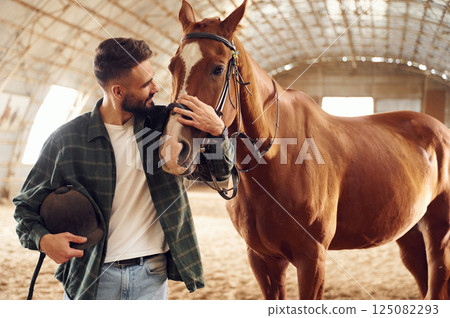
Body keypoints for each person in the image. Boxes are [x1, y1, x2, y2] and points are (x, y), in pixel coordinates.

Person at [13, 38, 234, 300]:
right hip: (92, 278)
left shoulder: (166, 125)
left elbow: (219, 173)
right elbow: (24, 207)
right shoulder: (66, 139)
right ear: (118, 92)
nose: (156, 88)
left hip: (152, 275)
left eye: (153, 78)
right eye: (146, 84)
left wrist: (219, 132)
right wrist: (43, 241)